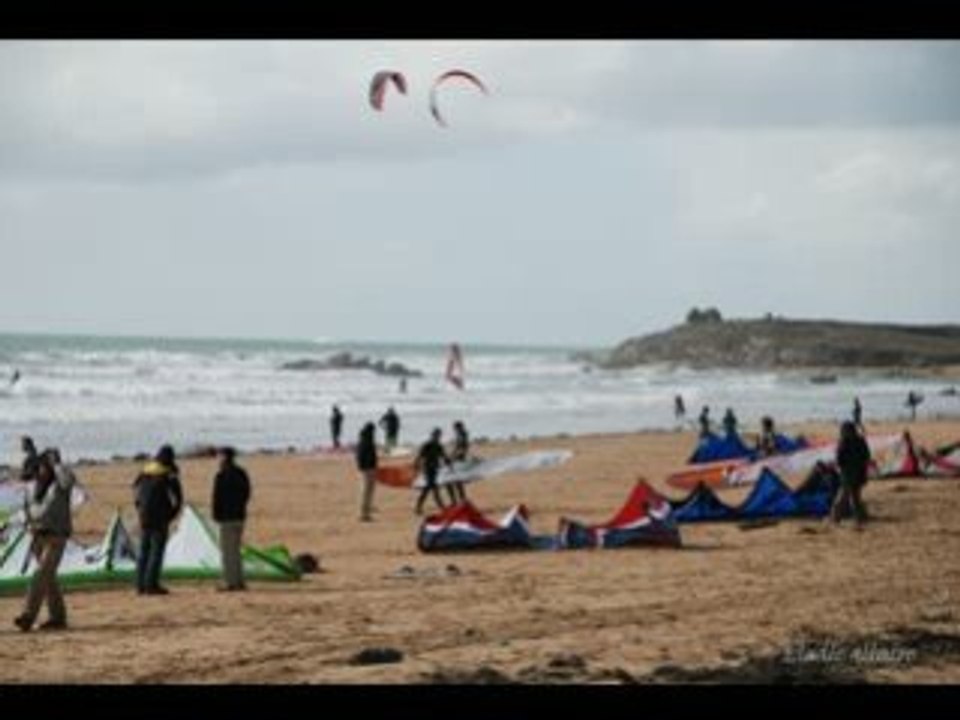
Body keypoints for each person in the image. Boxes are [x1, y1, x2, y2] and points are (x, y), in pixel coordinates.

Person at [14, 450, 76, 632]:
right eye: (41, 467)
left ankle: (28, 615)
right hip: (37, 537)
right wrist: (28, 524)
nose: (42, 471)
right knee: (49, 579)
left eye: (46, 467)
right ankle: (58, 618)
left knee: (40, 575)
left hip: (56, 537)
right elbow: (26, 509)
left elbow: (68, 479)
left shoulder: (60, 486)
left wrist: (58, 463)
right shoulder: (34, 487)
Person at [132, 445, 183, 595]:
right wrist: (171, 515)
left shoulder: (145, 470)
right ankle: (151, 585)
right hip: (160, 517)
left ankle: (139, 585)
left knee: (144, 550)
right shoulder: (169, 474)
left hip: (144, 516)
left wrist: (139, 509)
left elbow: (135, 491)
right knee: (156, 552)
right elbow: (178, 498)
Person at [211, 447, 251, 592]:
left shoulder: (221, 475)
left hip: (227, 517)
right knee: (236, 550)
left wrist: (216, 514)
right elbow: (247, 493)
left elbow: (216, 498)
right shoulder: (241, 473)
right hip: (239, 515)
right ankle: (238, 580)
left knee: (228, 551)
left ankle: (230, 581)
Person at [832, 420, 871, 527]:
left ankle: (836, 519)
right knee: (855, 497)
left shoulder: (844, 442)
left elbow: (839, 460)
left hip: (848, 474)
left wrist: (840, 469)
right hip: (859, 473)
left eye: (843, 430)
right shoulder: (861, 441)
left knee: (844, 497)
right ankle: (859, 519)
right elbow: (867, 457)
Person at [414, 428, 452, 515]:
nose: (438, 437)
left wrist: (449, 464)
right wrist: (416, 464)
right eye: (437, 435)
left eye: (439, 435)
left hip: (434, 469)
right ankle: (442, 507)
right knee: (432, 488)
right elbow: (420, 456)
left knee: (428, 489)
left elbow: (444, 456)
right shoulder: (427, 445)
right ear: (433, 435)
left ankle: (418, 507)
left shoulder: (438, 446)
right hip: (427, 469)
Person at [355, 423, 378, 522]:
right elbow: (365, 456)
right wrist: (370, 467)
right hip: (367, 469)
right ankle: (364, 514)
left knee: (368, 490)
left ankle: (367, 510)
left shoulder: (363, 440)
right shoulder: (367, 441)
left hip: (366, 468)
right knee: (366, 491)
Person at [446, 420, 470, 505]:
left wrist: (452, 458)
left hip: (458, 461)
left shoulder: (462, 436)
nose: (454, 430)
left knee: (452, 481)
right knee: (457, 482)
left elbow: (462, 450)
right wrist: (451, 456)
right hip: (458, 460)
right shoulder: (462, 435)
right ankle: (461, 500)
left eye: (455, 428)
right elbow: (459, 449)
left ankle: (457, 501)